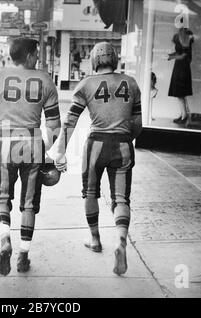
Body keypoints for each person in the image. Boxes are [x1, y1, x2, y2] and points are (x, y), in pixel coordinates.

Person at [51, 42, 142, 276]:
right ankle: (121, 240)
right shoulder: (131, 83)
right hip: (122, 144)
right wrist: (124, 138)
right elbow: (137, 125)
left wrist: (59, 150)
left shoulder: (85, 85)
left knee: (90, 193)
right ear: (115, 59)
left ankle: (95, 239)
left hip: (96, 146)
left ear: (93, 60)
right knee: (121, 199)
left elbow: (69, 121)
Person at [0, 38, 62, 276]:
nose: (38, 59)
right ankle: (23, 255)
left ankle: (4, 239)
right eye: (36, 55)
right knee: (29, 204)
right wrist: (52, 156)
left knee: (2, 199)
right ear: (31, 56)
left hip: (4, 144)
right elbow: (54, 125)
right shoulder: (45, 80)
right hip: (33, 144)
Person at [168, 27, 194, 124]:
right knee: (180, 94)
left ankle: (184, 115)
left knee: (180, 93)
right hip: (181, 67)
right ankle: (184, 114)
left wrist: (172, 56)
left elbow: (183, 55)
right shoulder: (186, 40)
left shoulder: (184, 40)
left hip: (181, 68)